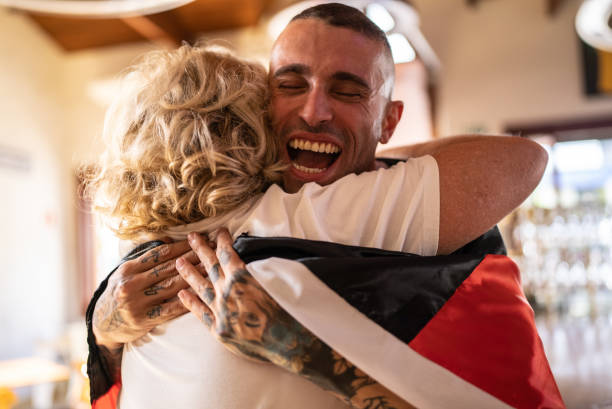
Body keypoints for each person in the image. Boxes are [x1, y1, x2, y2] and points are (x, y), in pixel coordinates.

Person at [86, 3, 548, 408]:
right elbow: (521, 158)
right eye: (289, 85)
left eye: (347, 91)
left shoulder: (149, 241)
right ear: (262, 113)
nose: (314, 112)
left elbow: (520, 160)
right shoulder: (294, 219)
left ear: (390, 120)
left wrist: (103, 328)